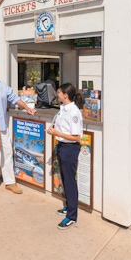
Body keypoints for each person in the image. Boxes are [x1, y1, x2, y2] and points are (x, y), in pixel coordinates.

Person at [0, 61, 36, 196]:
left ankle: (10, 182)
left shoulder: (2, 86)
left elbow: (14, 98)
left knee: (7, 153)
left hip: (2, 126)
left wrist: (28, 108)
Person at [46, 83, 84, 229]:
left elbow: (76, 137)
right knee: (65, 178)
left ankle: (72, 216)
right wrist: (54, 129)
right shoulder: (63, 109)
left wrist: (57, 133)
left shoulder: (73, 112)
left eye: (59, 92)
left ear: (65, 95)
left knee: (69, 181)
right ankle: (69, 207)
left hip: (70, 149)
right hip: (62, 146)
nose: (57, 94)